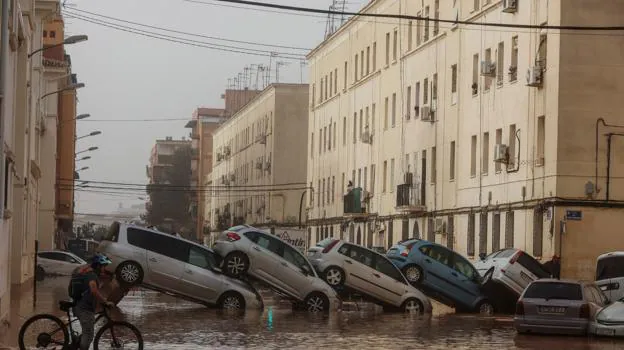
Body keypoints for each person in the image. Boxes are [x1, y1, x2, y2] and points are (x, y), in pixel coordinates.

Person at [71, 253, 115, 350]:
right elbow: (93, 290)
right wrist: (105, 301)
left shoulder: (86, 272)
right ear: (98, 266)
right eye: (103, 266)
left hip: (79, 306)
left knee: (86, 332)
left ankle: (77, 343)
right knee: (88, 334)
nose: (104, 269)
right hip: (84, 309)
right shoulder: (91, 275)